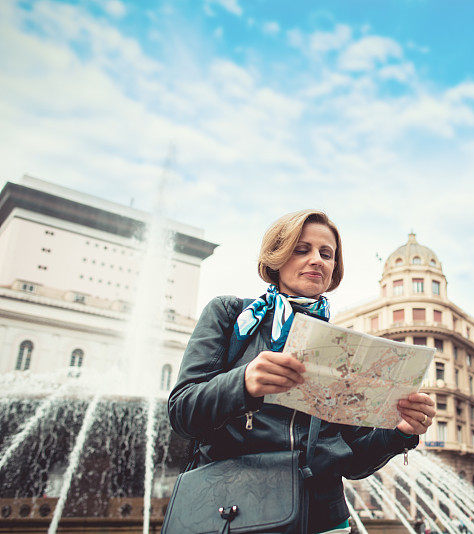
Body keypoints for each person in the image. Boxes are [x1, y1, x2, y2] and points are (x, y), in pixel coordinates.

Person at [168, 210, 437, 534]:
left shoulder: (341, 347)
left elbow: (351, 460)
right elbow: (182, 411)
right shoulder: (231, 315)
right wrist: (243, 384)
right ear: (277, 256)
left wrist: (401, 433)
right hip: (236, 511)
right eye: (302, 249)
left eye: (327, 254)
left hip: (323, 519)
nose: (317, 261)